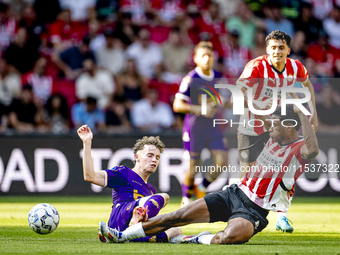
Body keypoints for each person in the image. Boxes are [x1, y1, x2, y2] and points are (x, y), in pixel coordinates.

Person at [99, 104, 319, 244]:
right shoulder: (273, 137)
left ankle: (193, 240)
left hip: (255, 211)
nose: (270, 129)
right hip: (234, 194)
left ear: (290, 127)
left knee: (230, 237)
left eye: (276, 125)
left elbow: (313, 149)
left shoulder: (299, 149)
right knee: (177, 216)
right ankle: (121, 236)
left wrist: (301, 113)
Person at [233, 30, 318, 232]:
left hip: (280, 126)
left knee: (288, 168)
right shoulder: (256, 66)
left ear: (288, 49)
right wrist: (263, 118)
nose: (277, 51)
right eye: (273, 48)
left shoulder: (296, 66)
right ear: (267, 49)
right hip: (252, 125)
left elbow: (308, 86)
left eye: (281, 47)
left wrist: (313, 113)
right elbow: (238, 93)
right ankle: (241, 212)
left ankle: (282, 217)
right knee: (248, 172)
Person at [76, 129, 182, 243]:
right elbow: (90, 176)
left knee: (176, 230)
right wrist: (87, 142)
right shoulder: (124, 173)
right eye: (150, 155)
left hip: (131, 227)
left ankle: (123, 237)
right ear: (137, 157)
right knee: (164, 197)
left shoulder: (150, 189)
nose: (154, 160)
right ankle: (132, 225)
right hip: (121, 216)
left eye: (157, 157)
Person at [173, 41, 228, 207]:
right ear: (196, 58)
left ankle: (202, 186)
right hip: (195, 129)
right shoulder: (190, 79)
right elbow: (177, 105)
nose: (207, 59)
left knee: (222, 162)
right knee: (193, 167)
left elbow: (225, 98)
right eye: (203, 56)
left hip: (213, 128)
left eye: (210, 55)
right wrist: (200, 109)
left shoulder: (219, 77)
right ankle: (186, 199)